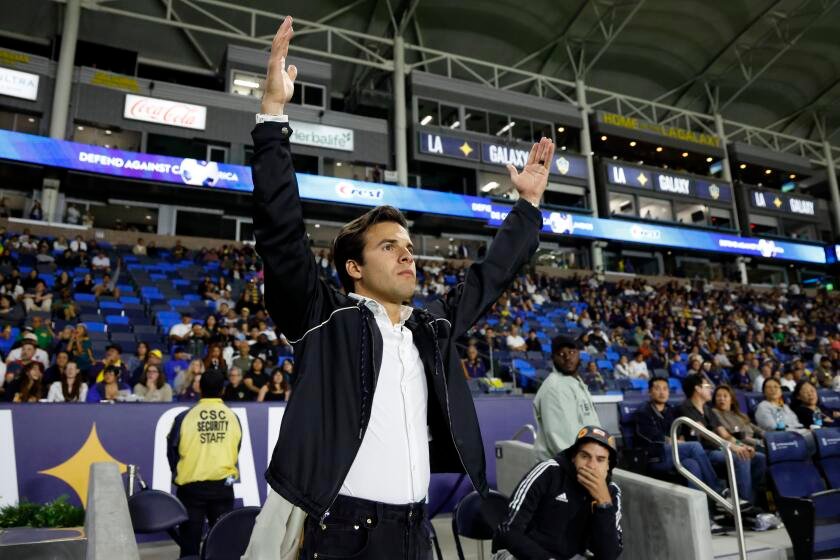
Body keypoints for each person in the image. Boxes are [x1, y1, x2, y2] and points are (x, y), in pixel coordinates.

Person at [245, 16, 552, 560]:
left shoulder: (429, 326)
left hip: (415, 530)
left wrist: (527, 206)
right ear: (354, 268)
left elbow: (491, 275)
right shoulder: (322, 317)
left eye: (408, 246)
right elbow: (281, 232)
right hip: (341, 532)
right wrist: (272, 116)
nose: (407, 254)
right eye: (389, 246)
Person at [492, 426, 623, 560]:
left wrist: (604, 504)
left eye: (600, 460)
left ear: (608, 465)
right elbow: (508, 530)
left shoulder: (611, 492)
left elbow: (609, 555)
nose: (591, 465)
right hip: (520, 554)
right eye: (585, 456)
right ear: (574, 457)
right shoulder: (548, 472)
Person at [167, 370, 242, 558]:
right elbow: (236, 449)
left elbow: (172, 452)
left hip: (191, 488)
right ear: (223, 390)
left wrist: (181, 473)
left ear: (200, 388)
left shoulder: (185, 417)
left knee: (189, 545)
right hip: (222, 486)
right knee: (222, 544)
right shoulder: (233, 417)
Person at [676, 375, 766, 505]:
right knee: (741, 457)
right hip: (703, 453)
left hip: (718, 448)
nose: (711, 389)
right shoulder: (685, 408)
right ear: (697, 389)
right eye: (707, 386)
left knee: (759, 458)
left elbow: (725, 434)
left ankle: (754, 500)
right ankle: (743, 504)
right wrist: (732, 447)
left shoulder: (707, 409)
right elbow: (705, 434)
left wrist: (741, 445)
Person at [634, 378, 723, 500]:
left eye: (665, 389)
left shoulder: (671, 410)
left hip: (673, 453)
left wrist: (679, 440)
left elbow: (680, 432)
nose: (662, 392)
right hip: (655, 456)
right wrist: (674, 442)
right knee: (694, 446)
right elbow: (652, 436)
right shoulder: (643, 412)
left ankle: (702, 506)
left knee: (692, 464)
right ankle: (717, 489)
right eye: (657, 388)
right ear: (650, 392)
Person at [533, 335, 601, 461]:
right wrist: (589, 465)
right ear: (553, 358)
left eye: (571, 352)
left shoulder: (575, 381)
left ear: (579, 354)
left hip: (585, 461)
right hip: (566, 467)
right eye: (561, 354)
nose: (568, 357)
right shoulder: (554, 388)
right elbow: (563, 444)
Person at [711, 385, 765, 451]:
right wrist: (758, 442)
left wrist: (767, 436)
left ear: (732, 400)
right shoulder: (714, 413)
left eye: (725, 396)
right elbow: (734, 434)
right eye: (718, 396)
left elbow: (754, 427)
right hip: (740, 445)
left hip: (754, 442)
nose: (721, 399)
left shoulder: (739, 414)